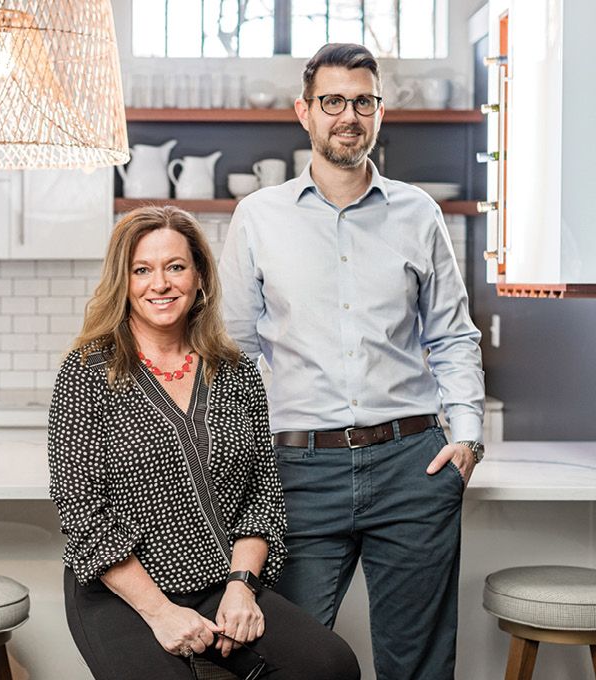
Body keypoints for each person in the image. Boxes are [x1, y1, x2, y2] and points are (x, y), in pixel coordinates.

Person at [219, 43, 485, 680]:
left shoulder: (418, 213)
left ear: (379, 111)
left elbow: (452, 336)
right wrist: (246, 457)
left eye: (362, 101)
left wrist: (468, 438)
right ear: (303, 113)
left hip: (411, 464)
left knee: (418, 664)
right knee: (290, 660)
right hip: (297, 470)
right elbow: (233, 352)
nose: (348, 115)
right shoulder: (258, 216)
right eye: (332, 101)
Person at [48, 206, 360, 680]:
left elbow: (263, 495)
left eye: (175, 267)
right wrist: (160, 612)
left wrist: (242, 588)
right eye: (142, 270)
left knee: (332, 667)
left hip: (218, 580)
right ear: (123, 281)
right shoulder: (87, 372)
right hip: (124, 591)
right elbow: (82, 513)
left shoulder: (236, 371)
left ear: (199, 277)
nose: (161, 284)